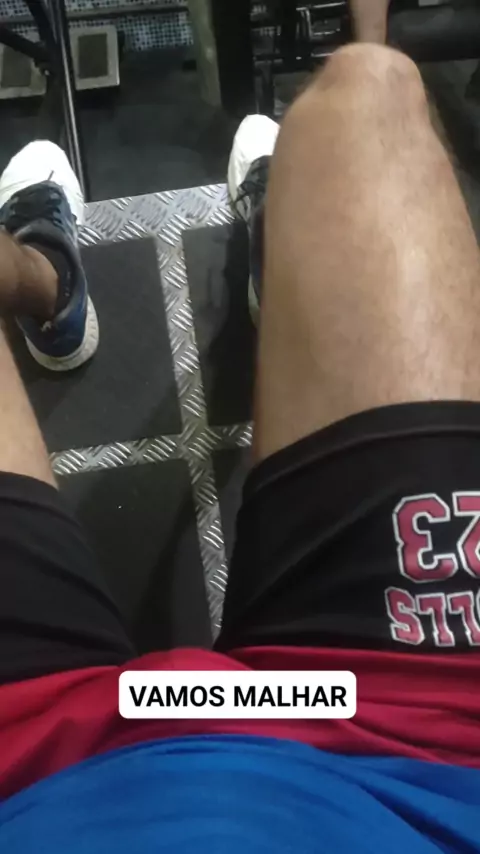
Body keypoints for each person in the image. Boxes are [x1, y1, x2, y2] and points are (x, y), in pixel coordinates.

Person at [0, 0, 479, 850]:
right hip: (408, 749)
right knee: (371, 96)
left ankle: (55, 283)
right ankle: (267, 250)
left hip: (23, 761)